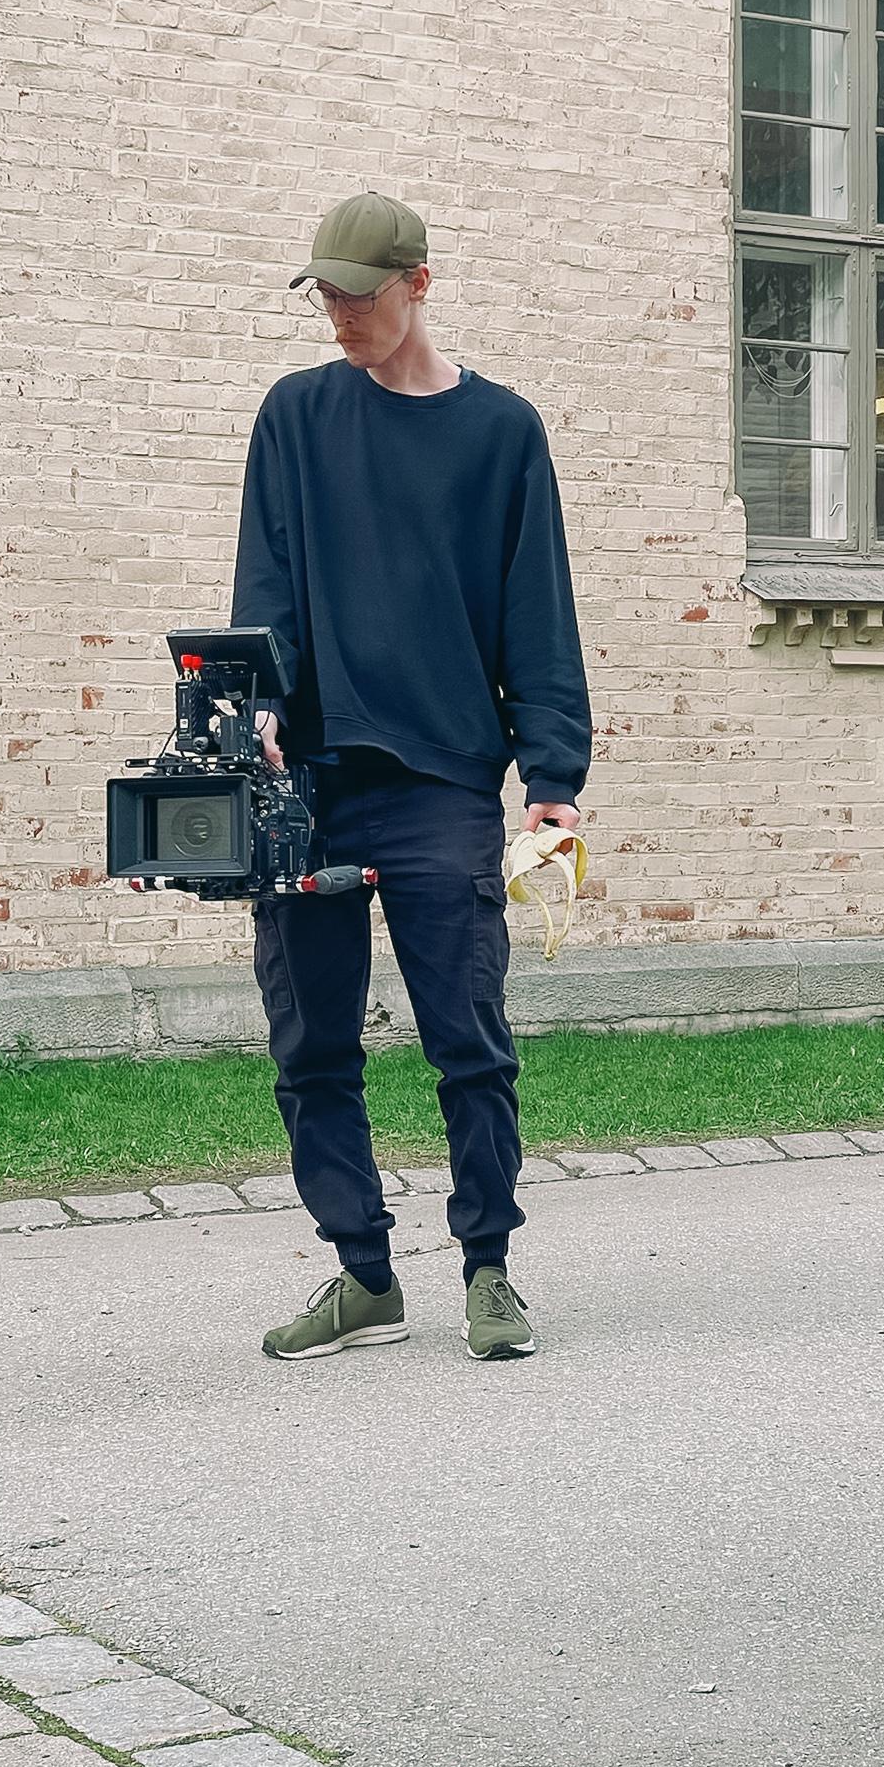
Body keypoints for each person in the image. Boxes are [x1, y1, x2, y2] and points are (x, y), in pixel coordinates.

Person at [229, 190, 591, 1362]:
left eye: (359, 293)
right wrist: (262, 713)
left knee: (467, 1037)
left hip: (439, 777)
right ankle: (362, 1271)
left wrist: (553, 767)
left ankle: (488, 1266)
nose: (338, 313)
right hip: (312, 787)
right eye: (324, 293)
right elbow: (266, 589)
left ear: (419, 284)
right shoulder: (295, 417)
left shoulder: (502, 433)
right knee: (311, 1043)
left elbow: (536, 613)